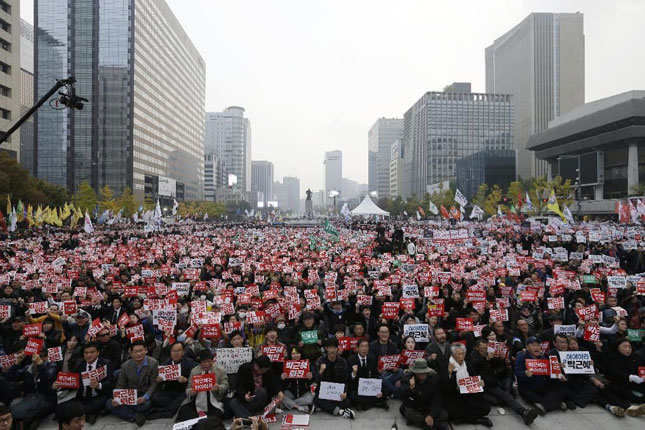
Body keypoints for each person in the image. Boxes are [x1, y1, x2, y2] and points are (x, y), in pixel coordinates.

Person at [469, 338, 538, 425]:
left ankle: (523, 413)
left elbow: (495, 363)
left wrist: (501, 359)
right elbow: (474, 364)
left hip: (491, 383)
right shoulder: (473, 356)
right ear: (476, 348)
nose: (484, 350)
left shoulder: (488, 355)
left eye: (486, 348)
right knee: (502, 398)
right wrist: (486, 359)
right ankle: (523, 412)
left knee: (506, 396)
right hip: (481, 386)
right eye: (482, 348)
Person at [55, 341, 114, 424]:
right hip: (82, 397)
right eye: (86, 353)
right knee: (59, 408)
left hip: (99, 396)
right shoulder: (80, 364)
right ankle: (86, 415)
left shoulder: (106, 363)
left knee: (91, 407)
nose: (89, 355)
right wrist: (60, 385)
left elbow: (110, 382)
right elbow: (72, 380)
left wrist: (99, 385)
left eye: (92, 352)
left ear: (98, 352)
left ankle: (82, 414)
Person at [105, 339, 159, 426]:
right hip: (129, 393)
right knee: (109, 403)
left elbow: (154, 383)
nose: (138, 354)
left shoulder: (153, 363)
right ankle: (135, 416)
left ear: (146, 351)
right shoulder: (125, 366)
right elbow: (120, 384)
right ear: (131, 353)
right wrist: (117, 397)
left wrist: (145, 397)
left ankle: (125, 410)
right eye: (136, 351)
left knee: (146, 404)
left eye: (141, 351)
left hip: (143, 393)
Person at [441, 343, 492, 427]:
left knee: (486, 408)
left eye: (463, 353)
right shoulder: (446, 365)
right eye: (459, 354)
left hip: (468, 394)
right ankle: (476, 420)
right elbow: (445, 388)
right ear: (453, 355)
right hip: (453, 396)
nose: (461, 356)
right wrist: (449, 374)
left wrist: (480, 384)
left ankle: (467, 417)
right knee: (455, 413)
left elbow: (474, 379)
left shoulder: (467, 364)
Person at [7, 347, 58, 430]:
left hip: (46, 399)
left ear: (46, 357)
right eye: (35, 356)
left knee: (42, 408)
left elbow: (49, 377)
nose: (36, 359)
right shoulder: (28, 368)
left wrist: (40, 364)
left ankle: (26, 422)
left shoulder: (52, 366)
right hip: (31, 399)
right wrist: (17, 363)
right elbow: (10, 378)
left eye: (41, 356)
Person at [514, 336, 566, 416]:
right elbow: (517, 372)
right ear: (527, 347)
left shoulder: (543, 358)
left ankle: (544, 406)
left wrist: (558, 372)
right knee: (530, 396)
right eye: (533, 345)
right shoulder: (521, 357)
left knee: (560, 389)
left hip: (541, 386)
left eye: (538, 345)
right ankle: (556, 403)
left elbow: (550, 374)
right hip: (527, 386)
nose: (537, 347)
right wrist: (525, 373)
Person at [148, 341, 198, 420]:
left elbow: (196, 381)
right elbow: (159, 381)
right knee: (154, 398)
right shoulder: (166, 363)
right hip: (170, 391)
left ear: (183, 352)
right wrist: (160, 380)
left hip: (183, 392)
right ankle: (173, 407)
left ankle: (166, 411)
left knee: (186, 398)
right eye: (173, 351)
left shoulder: (191, 363)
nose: (175, 353)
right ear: (170, 352)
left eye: (178, 351)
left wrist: (186, 380)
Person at [176, 349, 228, 421]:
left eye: (209, 361)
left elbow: (225, 385)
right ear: (200, 363)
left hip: (214, 400)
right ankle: (201, 418)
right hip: (197, 400)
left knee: (216, 415)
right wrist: (191, 392)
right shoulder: (194, 371)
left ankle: (202, 419)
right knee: (184, 411)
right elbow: (188, 388)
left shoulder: (220, 370)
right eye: (203, 362)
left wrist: (219, 387)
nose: (206, 364)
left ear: (212, 361)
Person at [399, 358, 448, 430]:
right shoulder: (407, 378)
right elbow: (402, 393)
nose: (423, 374)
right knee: (408, 412)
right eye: (421, 373)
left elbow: (436, 398)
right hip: (413, 405)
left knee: (444, 414)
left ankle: (420, 421)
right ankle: (433, 426)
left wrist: (431, 415)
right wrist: (410, 388)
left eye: (424, 372)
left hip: (427, 406)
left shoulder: (432, 378)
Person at [313, 338, 355, 419]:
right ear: (326, 348)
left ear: (337, 348)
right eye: (330, 348)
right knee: (317, 399)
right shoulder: (320, 360)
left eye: (335, 348)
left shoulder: (342, 361)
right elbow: (315, 380)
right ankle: (341, 411)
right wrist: (321, 371)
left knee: (347, 401)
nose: (333, 350)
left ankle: (324, 407)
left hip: (337, 392)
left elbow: (345, 379)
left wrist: (345, 392)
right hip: (324, 391)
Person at [347, 338, 387, 410]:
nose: (364, 349)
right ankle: (374, 403)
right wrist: (354, 373)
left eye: (366, 347)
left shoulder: (372, 358)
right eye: (362, 346)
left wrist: (377, 388)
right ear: (357, 348)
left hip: (369, 387)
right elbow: (349, 380)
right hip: (357, 387)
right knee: (352, 395)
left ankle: (363, 404)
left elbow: (375, 375)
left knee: (386, 391)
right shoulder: (351, 360)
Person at [369, 323, 402, 397]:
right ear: (378, 333)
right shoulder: (372, 345)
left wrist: (395, 368)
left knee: (401, 371)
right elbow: (371, 362)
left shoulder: (393, 345)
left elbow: (394, 361)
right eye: (382, 332)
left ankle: (387, 386)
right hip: (378, 373)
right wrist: (377, 369)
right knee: (381, 379)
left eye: (386, 332)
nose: (385, 334)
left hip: (389, 372)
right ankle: (396, 392)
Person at [279, 347, 314, 412]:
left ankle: (286, 405)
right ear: (290, 355)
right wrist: (283, 378)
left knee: (310, 399)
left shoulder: (307, 365)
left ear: (301, 354)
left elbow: (311, 384)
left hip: (303, 392)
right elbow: (282, 386)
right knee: (279, 396)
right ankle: (299, 407)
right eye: (293, 354)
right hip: (290, 392)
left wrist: (310, 378)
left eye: (298, 353)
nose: (296, 355)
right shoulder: (286, 365)